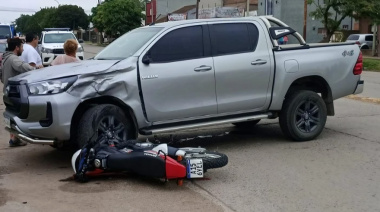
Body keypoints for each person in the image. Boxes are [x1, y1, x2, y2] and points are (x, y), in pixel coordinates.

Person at [2, 38, 38, 147]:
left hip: (8, 91)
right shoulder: (13, 59)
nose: (22, 49)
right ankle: (15, 138)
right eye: (21, 47)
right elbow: (25, 67)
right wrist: (37, 68)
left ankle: (14, 139)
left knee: (12, 116)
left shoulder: (5, 58)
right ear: (17, 47)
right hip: (14, 93)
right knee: (18, 116)